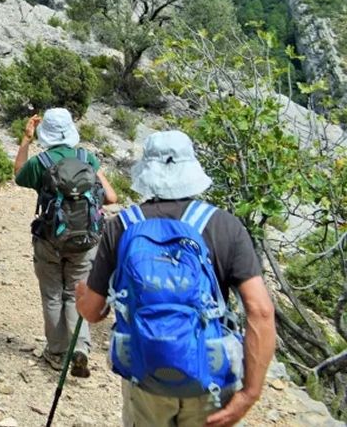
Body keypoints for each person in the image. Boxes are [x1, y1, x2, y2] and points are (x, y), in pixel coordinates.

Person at [77, 130, 276, 427]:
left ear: (146, 171)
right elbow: (260, 311)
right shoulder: (225, 226)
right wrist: (250, 392)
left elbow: (92, 312)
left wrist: (83, 297)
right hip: (210, 375)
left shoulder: (121, 226)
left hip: (146, 374)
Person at [14, 108, 117, 378]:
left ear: (45, 132)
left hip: (49, 239)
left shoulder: (41, 161)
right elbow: (111, 197)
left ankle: (57, 352)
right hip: (84, 241)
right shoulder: (87, 158)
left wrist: (26, 139)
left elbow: (18, 174)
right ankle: (80, 346)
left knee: (52, 294)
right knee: (74, 294)